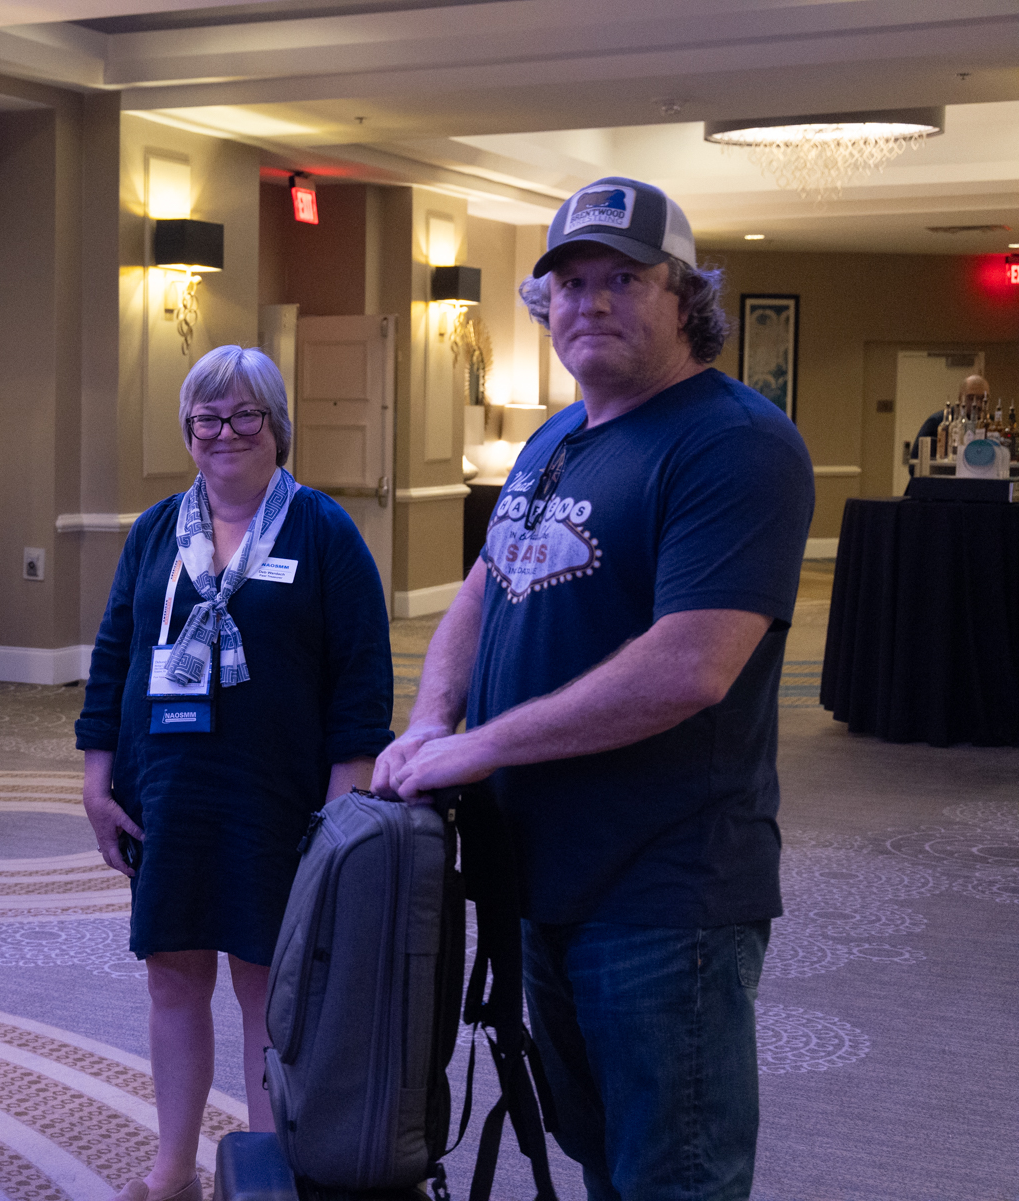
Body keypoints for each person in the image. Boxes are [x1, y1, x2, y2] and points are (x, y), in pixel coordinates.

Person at [373, 177, 813, 1200]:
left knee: (675, 1174)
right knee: (597, 1153)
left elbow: (691, 665)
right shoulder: (553, 440)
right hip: (541, 876)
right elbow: (482, 593)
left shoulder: (734, 442)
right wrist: (432, 720)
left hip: (665, 890)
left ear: (686, 297)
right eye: (570, 283)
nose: (592, 301)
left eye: (625, 277)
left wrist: (480, 745)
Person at [77, 344, 394, 1201]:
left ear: (277, 425)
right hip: (168, 794)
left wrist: (341, 817)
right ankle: (173, 1168)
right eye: (207, 417)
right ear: (188, 429)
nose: (225, 432)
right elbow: (113, 658)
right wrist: (98, 780)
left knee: (269, 990)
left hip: (279, 800)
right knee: (173, 977)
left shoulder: (323, 531)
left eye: (245, 414)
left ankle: (265, 1171)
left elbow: (363, 684)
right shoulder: (156, 531)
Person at [910, 372, 989, 472]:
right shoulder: (937, 422)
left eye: (983, 399)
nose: (977, 404)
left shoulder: (989, 426)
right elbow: (915, 466)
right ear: (960, 398)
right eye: (971, 398)